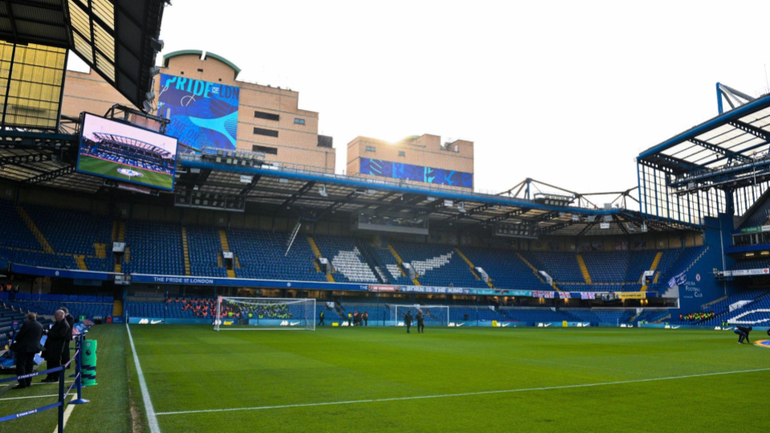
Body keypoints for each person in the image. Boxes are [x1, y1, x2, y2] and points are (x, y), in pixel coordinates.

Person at [10, 313, 43, 389]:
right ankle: (28, 381)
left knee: (21, 365)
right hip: (34, 348)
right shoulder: (40, 325)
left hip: (24, 348)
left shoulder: (27, 324)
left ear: (28, 318)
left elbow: (19, 337)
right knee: (29, 364)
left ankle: (22, 383)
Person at [42, 310, 70, 383]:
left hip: (56, 347)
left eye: (56, 315)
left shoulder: (64, 324)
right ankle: (50, 376)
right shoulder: (59, 323)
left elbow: (60, 335)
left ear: (60, 316)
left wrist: (49, 332)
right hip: (52, 346)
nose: (54, 317)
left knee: (54, 362)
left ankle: (54, 377)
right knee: (50, 362)